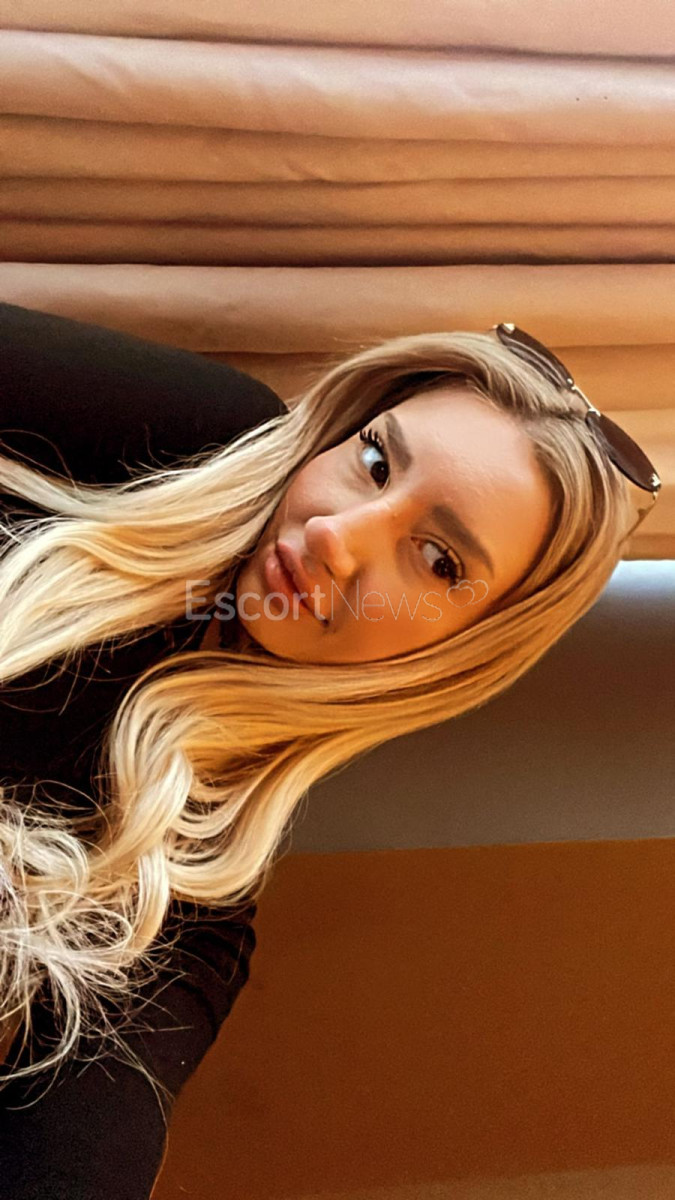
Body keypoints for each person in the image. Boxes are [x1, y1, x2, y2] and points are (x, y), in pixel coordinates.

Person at [0, 302, 660, 1198]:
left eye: (436, 560)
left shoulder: (174, 910)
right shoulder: (175, 437)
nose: (334, 537)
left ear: (459, 651)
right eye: (375, 461)